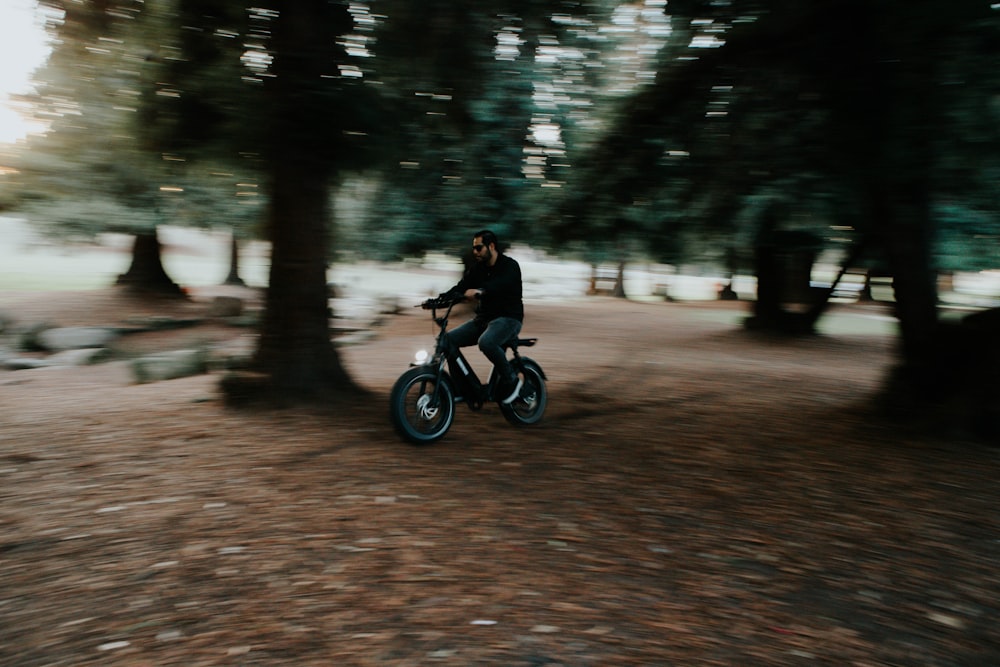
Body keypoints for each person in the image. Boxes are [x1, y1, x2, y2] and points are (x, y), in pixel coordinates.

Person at [439, 229, 525, 404]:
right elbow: (461, 287)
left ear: (491, 246)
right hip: (484, 320)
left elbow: (501, 285)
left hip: (508, 319)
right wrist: (438, 300)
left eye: (479, 248)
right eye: (474, 248)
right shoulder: (478, 269)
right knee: (447, 341)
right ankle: (463, 388)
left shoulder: (510, 266)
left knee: (486, 342)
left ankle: (511, 381)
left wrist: (481, 291)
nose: (475, 252)